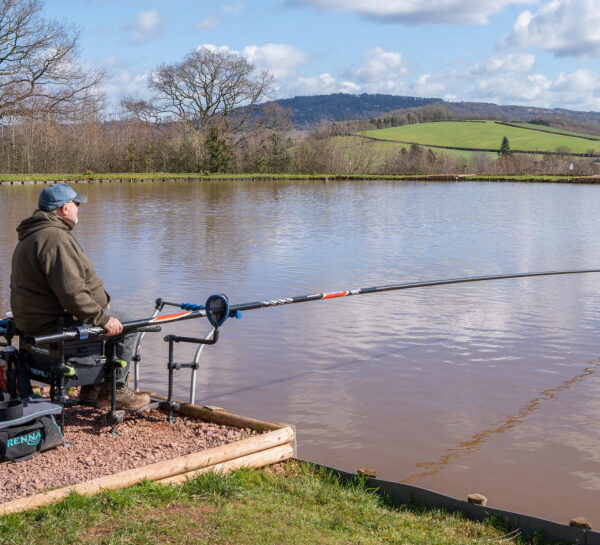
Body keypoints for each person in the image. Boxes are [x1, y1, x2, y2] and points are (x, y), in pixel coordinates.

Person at [10, 184, 150, 410]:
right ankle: (115, 391)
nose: (78, 209)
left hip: (35, 323)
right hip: (54, 325)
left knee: (109, 318)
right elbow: (71, 292)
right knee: (128, 324)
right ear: (65, 208)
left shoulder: (33, 235)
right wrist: (102, 319)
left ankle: (90, 389)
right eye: (76, 205)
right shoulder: (54, 238)